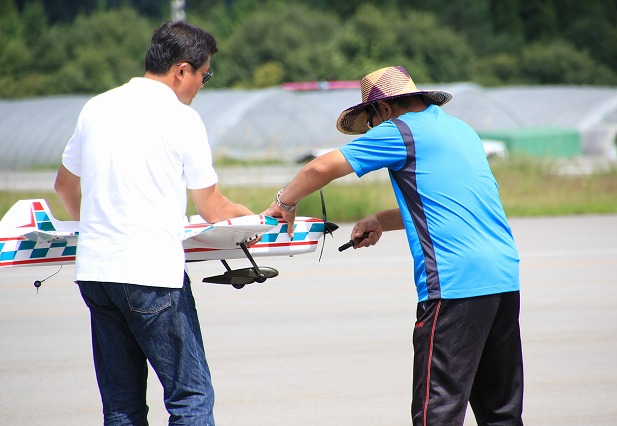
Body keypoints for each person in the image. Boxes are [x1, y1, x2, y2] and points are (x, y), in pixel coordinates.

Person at [263, 65, 524, 425]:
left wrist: (284, 203)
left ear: (384, 109)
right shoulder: (460, 129)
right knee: (501, 413)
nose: (373, 130)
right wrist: (380, 220)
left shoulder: (400, 129)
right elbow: (448, 203)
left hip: (454, 283)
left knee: (437, 412)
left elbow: (319, 168)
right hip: (503, 278)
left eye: (371, 122)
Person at [54, 21, 253, 425]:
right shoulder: (182, 118)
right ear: (182, 70)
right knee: (190, 396)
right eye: (204, 75)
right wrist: (255, 217)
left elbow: (64, 185)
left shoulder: (97, 107)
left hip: (96, 272)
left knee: (122, 405)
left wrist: (96, 228)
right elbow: (212, 208)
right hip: (151, 275)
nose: (202, 85)